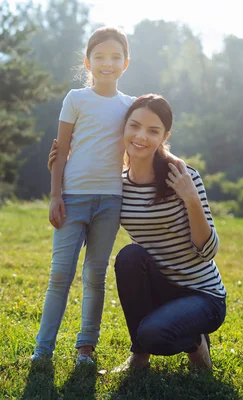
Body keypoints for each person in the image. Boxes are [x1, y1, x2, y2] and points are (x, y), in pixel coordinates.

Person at [32, 26, 183, 366]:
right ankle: (43, 349)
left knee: (95, 275)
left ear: (126, 63)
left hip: (111, 201)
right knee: (60, 275)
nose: (107, 63)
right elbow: (60, 151)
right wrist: (55, 195)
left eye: (115, 57)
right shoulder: (75, 99)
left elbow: (146, 143)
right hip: (72, 198)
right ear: (87, 62)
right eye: (99, 57)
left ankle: (85, 348)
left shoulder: (130, 107)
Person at [48, 94, 227, 371]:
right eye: (134, 126)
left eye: (153, 130)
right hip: (160, 288)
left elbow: (208, 251)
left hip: (202, 295)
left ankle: (195, 343)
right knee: (129, 257)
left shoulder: (182, 177)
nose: (141, 136)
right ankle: (139, 358)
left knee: (154, 335)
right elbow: (90, 192)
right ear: (123, 129)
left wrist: (191, 199)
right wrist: (63, 170)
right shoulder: (119, 186)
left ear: (164, 136)